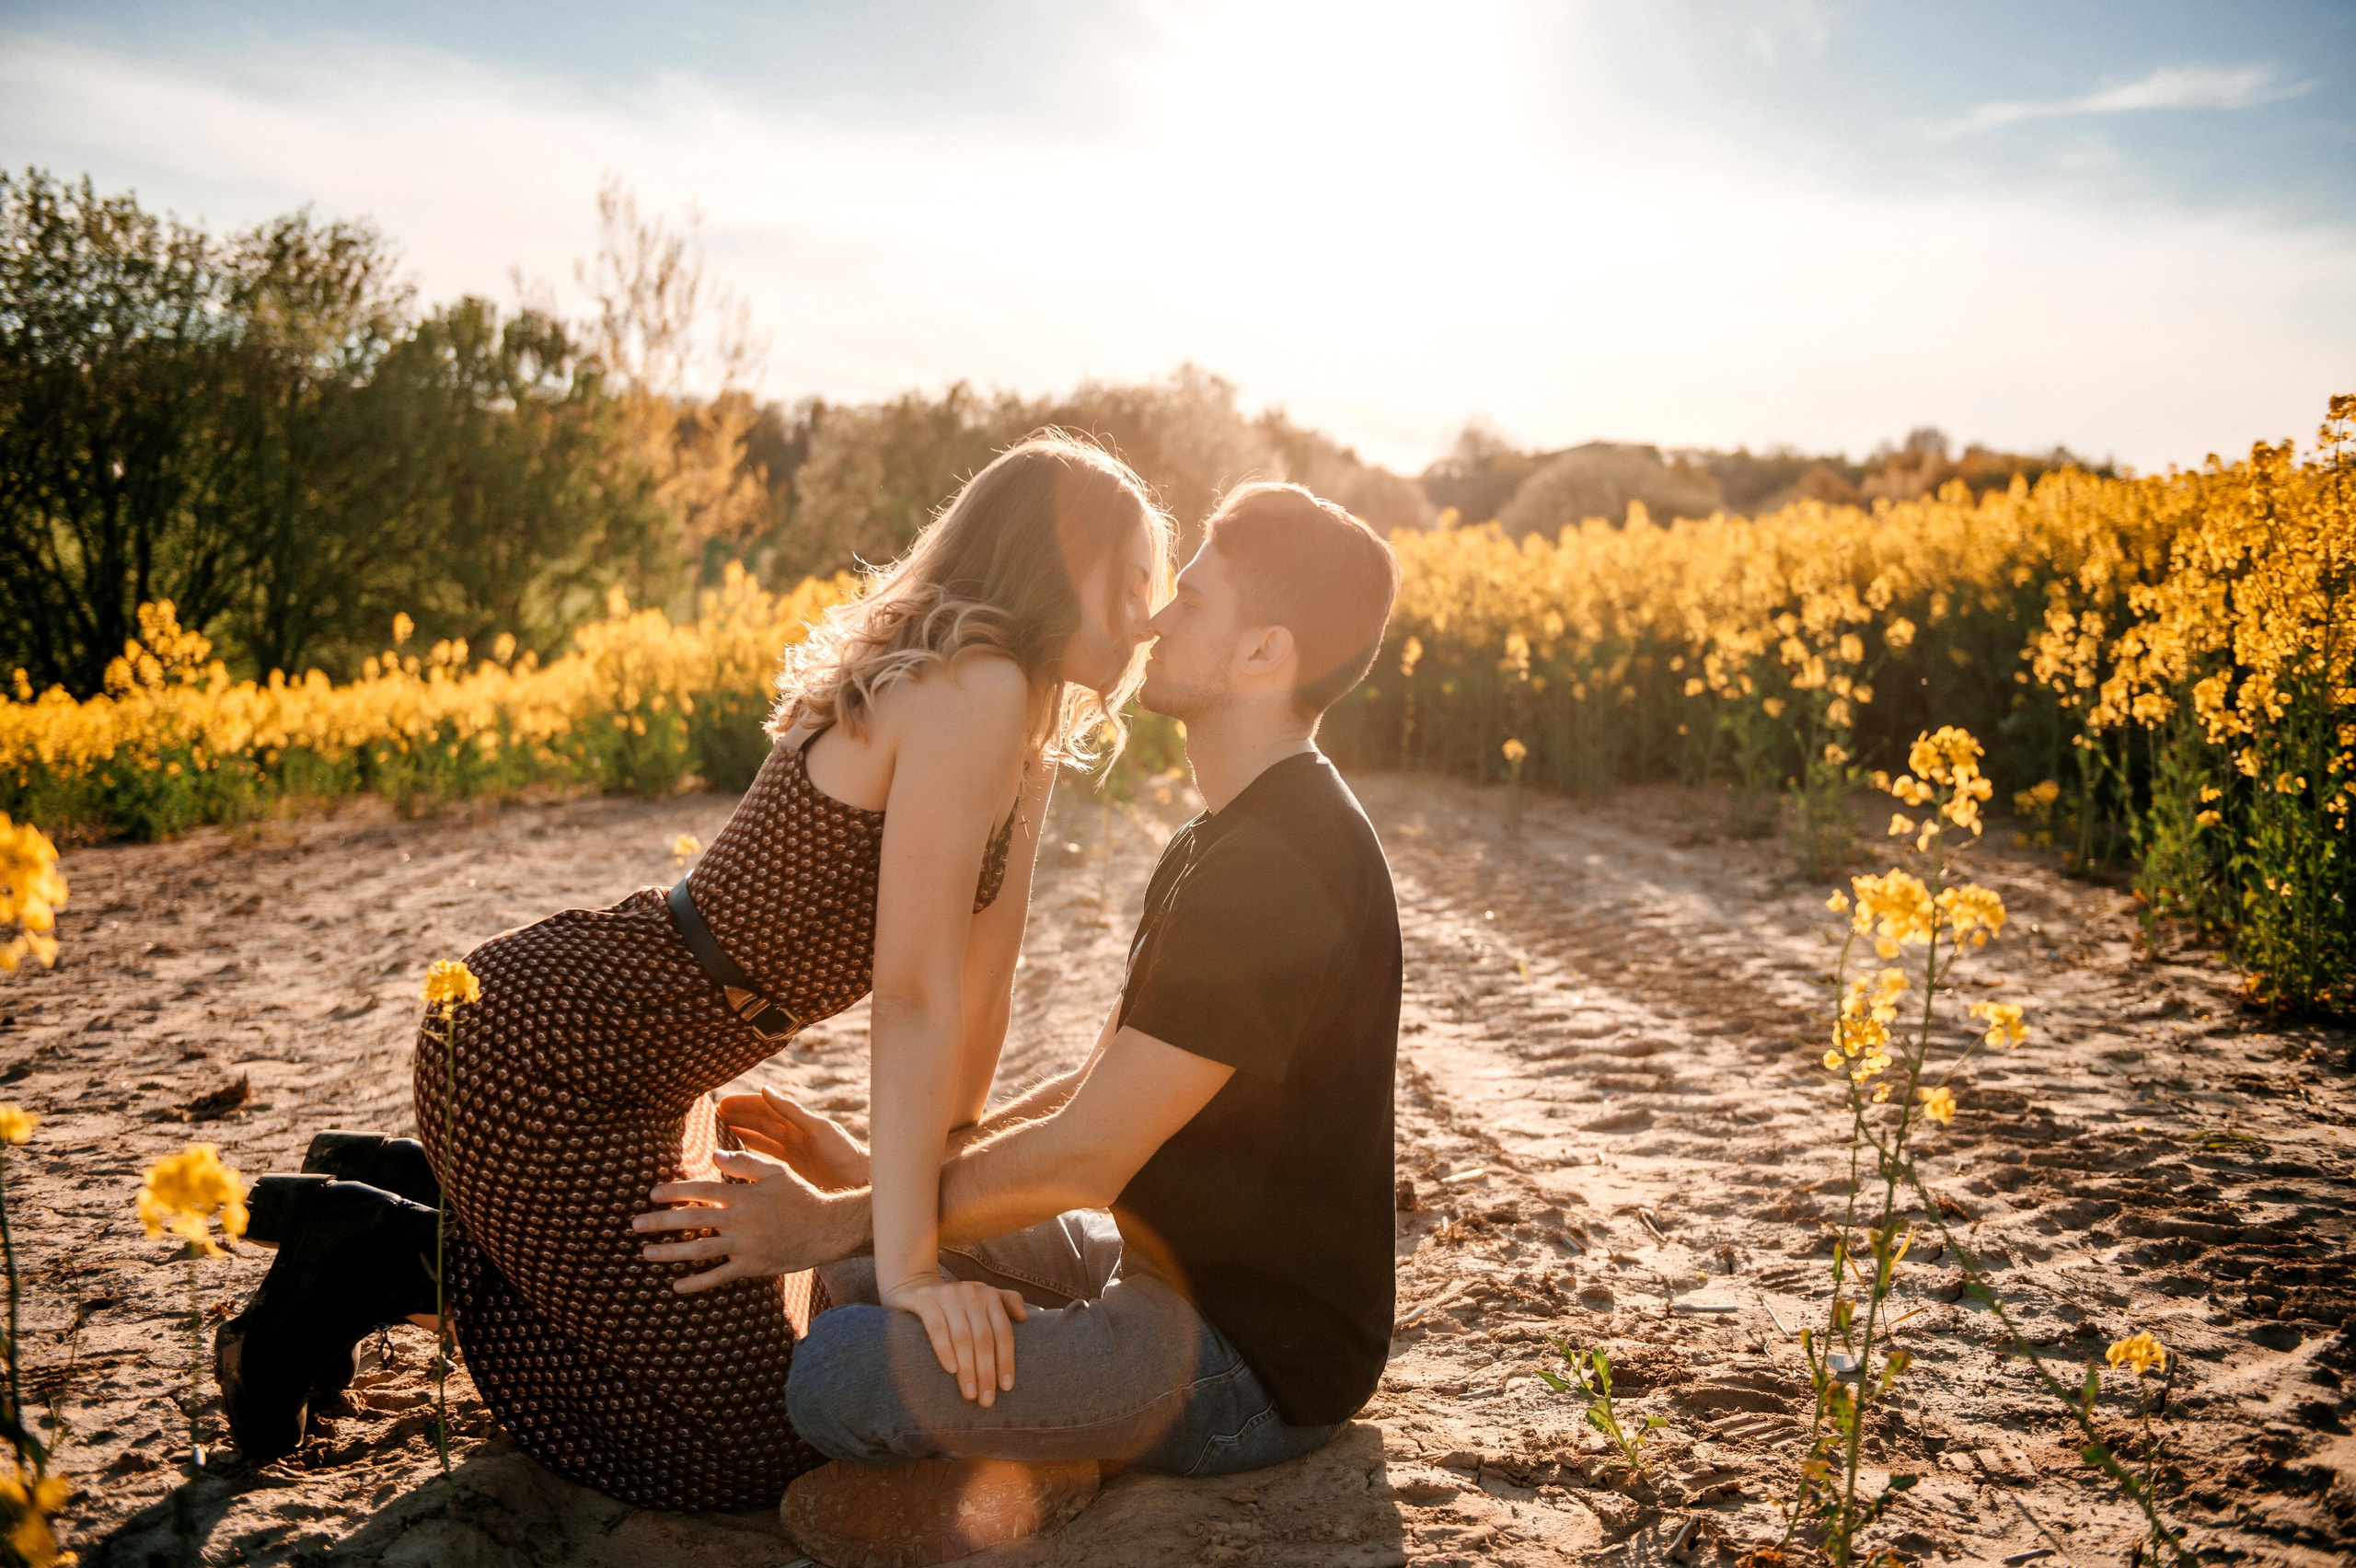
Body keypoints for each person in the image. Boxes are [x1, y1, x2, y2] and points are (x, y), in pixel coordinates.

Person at [213, 432, 1173, 1510]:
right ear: (1055, 561)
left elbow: (980, 992)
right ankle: (376, 1250)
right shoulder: (974, 686)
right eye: (1133, 578)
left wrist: (927, 1199)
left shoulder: (1021, 722)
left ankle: (417, 1181)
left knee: (788, 1357)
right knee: (745, 1440)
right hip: (544, 1054)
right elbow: (913, 995)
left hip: (650, 1071)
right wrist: (910, 1269)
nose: (1151, 616)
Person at [631, 481, 1404, 1518]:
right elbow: (1096, 1091)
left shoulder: (1281, 866)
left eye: (1190, 601)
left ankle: (1042, 1467)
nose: (1154, 621)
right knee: (857, 1278)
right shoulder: (1220, 837)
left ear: (1264, 653)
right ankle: (1031, 1438)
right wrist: (884, 1180)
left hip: (1248, 1355)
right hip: (1149, 1261)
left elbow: (1086, 1158)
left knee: (841, 1367)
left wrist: (831, 1220)